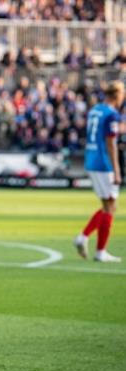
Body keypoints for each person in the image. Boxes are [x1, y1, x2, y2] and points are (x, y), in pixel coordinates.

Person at [74, 81, 124, 262]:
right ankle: (92, 243)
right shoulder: (112, 114)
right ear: (117, 95)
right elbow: (111, 143)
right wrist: (117, 170)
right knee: (110, 206)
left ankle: (94, 246)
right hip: (104, 163)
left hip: (91, 159)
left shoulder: (95, 110)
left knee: (108, 205)